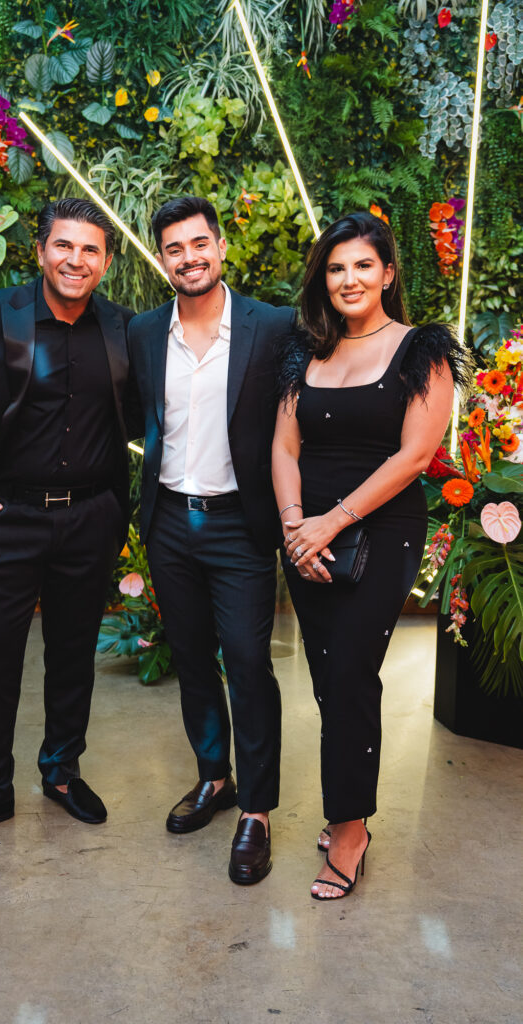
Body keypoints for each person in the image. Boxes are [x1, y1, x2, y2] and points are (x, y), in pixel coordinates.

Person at [0, 197, 136, 849]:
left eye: (91, 249)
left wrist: (119, 510)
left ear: (106, 262)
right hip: (5, 518)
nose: (76, 260)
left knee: (73, 656)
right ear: (40, 250)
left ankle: (62, 773)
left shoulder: (124, 328)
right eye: (64, 245)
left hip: (90, 518)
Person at [272, 211, 469, 900]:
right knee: (329, 677)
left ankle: (350, 829)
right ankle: (347, 802)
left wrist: (331, 522)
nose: (349, 279)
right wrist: (296, 527)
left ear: (387, 273)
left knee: (352, 671)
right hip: (306, 534)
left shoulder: (422, 350)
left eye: (363, 265)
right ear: (322, 280)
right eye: (336, 268)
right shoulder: (306, 350)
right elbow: (284, 446)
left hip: (381, 533)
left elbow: (414, 456)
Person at [128, 196, 295, 885]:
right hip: (170, 521)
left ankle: (256, 809)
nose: (189, 257)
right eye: (174, 248)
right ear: (161, 259)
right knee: (192, 659)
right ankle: (214, 778)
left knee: (249, 664)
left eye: (199, 243)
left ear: (221, 247)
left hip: (239, 525)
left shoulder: (272, 325)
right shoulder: (143, 332)